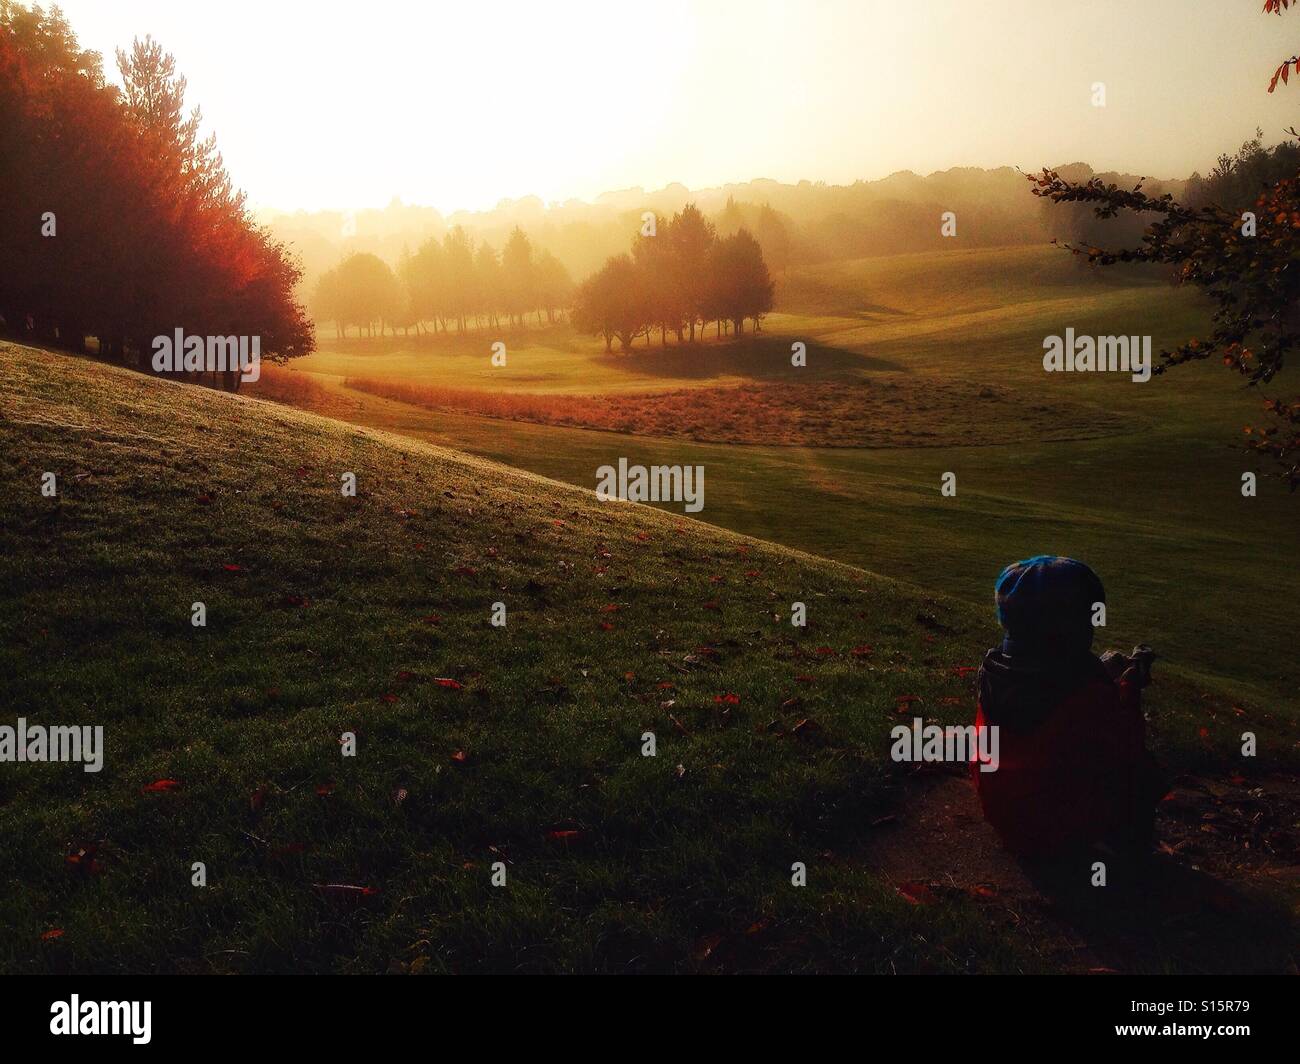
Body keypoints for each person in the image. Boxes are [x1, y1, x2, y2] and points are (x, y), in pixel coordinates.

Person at [970, 555, 1167, 861]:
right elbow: (1126, 744)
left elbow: (1047, 690)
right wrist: (1128, 688)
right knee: (1145, 775)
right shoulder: (1089, 694)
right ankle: (1129, 857)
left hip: (1003, 813)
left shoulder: (993, 672)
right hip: (1056, 832)